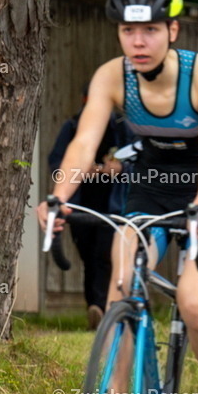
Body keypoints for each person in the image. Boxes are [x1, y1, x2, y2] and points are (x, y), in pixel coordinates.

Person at [37, 0, 198, 394]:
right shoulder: (112, 77)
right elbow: (85, 145)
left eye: (150, 30)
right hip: (146, 191)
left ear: (173, 30)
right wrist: (58, 198)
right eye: (128, 32)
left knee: (194, 303)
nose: (138, 42)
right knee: (124, 283)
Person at [47, 86, 127, 329]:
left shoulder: (122, 128)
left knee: (104, 254)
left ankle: (101, 307)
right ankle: (93, 307)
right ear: (83, 101)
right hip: (80, 206)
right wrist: (80, 171)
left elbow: (139, 161)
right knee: (89, 257)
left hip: (112, 206)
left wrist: (120, 169)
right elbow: (57, 162)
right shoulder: (72, 128)